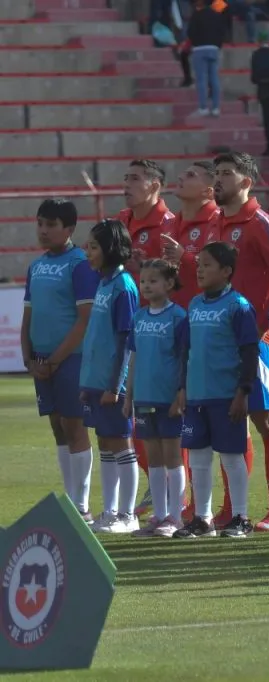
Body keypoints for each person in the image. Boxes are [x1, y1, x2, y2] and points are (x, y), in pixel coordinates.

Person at [208, 151, 269, 532]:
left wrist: (267, 322)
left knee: (266, 419)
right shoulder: (218, 225)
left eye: (227, 173)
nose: (219, 179)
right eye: (217, 173)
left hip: (256, 339)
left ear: (247, 182)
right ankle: (232, 507)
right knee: (230, 423)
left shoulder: (261, 223)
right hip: (220, 340)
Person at [173, 242, 260, 539]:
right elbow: (187, 349)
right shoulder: (194, 305)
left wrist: (243, 391)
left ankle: (240, 516)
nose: (199, 269)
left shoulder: (239, 306)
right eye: (198, 264)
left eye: (207, 264)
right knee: (197, 457)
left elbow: (249, 351)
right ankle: (202, 518)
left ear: (226, 271)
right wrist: (183, 387)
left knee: (231, 456)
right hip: (197, 394)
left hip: (226, 394)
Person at [22, 199, 100, 524]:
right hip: (42, 361)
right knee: (57, 427)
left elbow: (84, 320)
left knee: (74, 425)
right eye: (40, 223)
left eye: (51, 225)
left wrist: (55, 360)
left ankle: (81, 506)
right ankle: (70, 501)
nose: (43, 230)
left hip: (71, 359)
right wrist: (28, 357)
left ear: (69, 229)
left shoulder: (80, 264)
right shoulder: (36, 266)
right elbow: (28, 316)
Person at [80, 219, 141, 534]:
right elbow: (95, 337)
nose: (87, 252)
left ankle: (128, 516)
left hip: (111, 384)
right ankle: (110, 511)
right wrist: (86, 383)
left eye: (93, 247)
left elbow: (126, 342)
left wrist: (116, 387)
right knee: (105, 442)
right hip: (96, 381)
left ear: (110, 249)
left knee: (120, 443)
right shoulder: (103, 283)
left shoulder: (123, 286)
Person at [124, 259, 189, 538]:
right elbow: (134, 358)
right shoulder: (138, 318)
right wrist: (128, 396)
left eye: (153, 280)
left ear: (169, 284)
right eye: (143, 281)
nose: (146, 286)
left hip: (168, 399)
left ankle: (176, 516)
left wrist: (180, 393)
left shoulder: (178, 317)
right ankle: (159, 515)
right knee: (153, 459)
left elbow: (185, 358)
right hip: (144, 399)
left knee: (173, 457)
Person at [161, 161, 220, 308]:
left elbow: (219, 272)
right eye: (183, 173)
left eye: (191, 175)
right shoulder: (169, 223)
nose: (181, 177)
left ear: (208, 192)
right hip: (170, 315)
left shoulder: (218, 222)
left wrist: (183, 257)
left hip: (205, 315)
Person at [118, 159, 176, 288]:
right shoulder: (120, 219)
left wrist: (143, 266)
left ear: (154, 187)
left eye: (134, 179)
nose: (126, 184)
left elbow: (173, 275)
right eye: (126, 178)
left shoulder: (169, 225)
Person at [187, 0, 225, 116]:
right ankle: (216, 107)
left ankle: (203, 107)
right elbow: (222, 32)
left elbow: (190, 33)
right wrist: (217, 45)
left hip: (199, 49)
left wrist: (195, 43)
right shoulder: (217, 15)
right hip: (213, 48)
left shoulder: (196, 15)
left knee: (201, 79)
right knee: (214, 79)